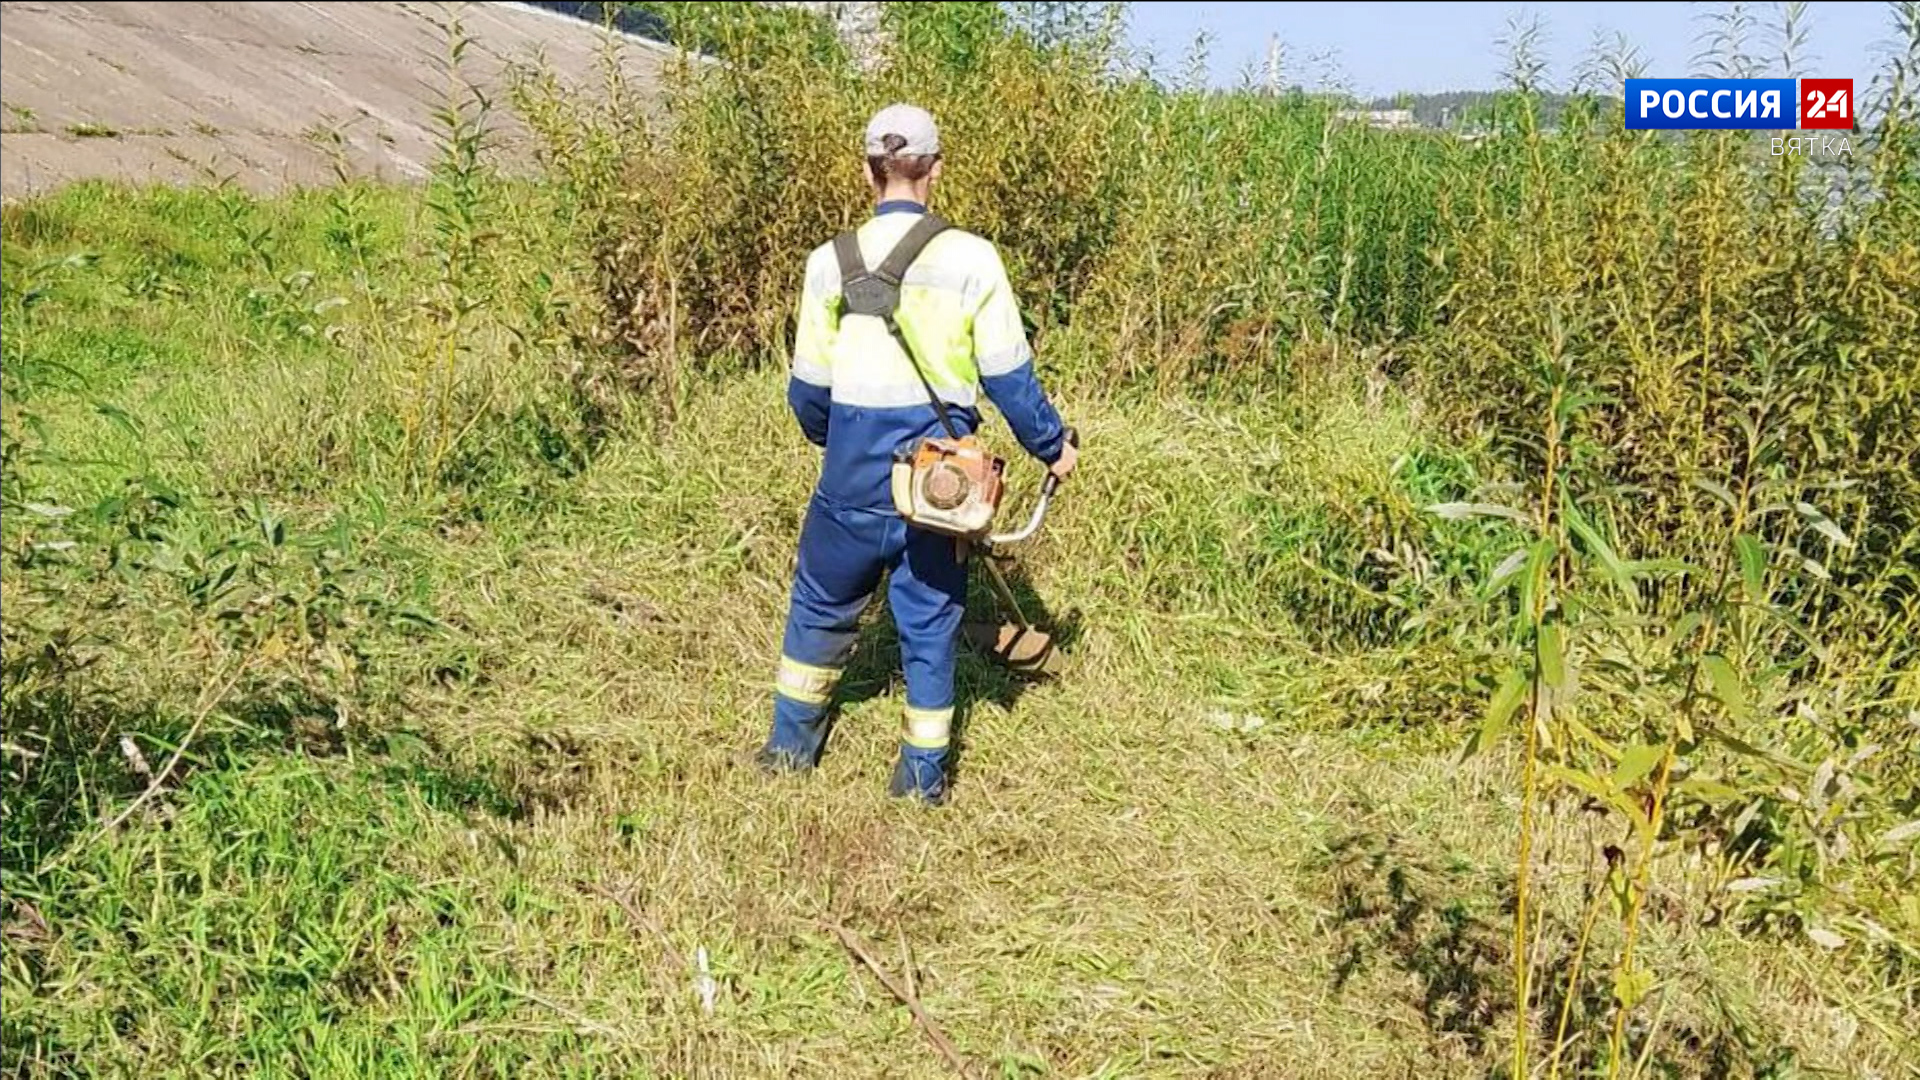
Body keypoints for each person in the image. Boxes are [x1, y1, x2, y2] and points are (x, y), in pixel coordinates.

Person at [756, 103, 1078, 806]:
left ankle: (787, 755)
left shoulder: (826, 263)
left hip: (848, 467)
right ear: (935, 168)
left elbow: (808, 394)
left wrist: (839, 444)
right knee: (931, 624)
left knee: (818, 606)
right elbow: (1008, 379)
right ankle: (921, 784)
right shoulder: (972, 259)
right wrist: (1054, 447)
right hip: (939, 481)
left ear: (868, 170)